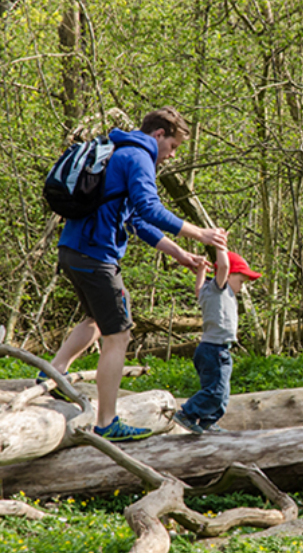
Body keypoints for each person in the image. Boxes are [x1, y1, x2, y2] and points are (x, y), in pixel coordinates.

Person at [47, 107, 228, 441]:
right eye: (173, 147)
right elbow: (151, 208)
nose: (172, 156)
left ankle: (54, 376)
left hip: (73, 249)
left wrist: (179, 253)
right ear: (159, 135)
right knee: (119, 335)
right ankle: (106, 422)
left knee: (97, 320)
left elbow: (136, 220)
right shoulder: (139, 156)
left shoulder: (121, 151)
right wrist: (199, 233)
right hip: (95, 255)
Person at [172, 239, 260, 435]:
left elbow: (197, 289)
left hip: (214, 349)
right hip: (214, 350)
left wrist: (201, 270)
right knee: (216, 391)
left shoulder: (207, 292)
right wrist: (220, 245)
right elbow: (225, 266)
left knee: (221, 391)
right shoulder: (219, 289)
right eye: (241, 280)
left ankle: (207, 422)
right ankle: (187, 414)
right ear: (227, 276)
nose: (242, 286)